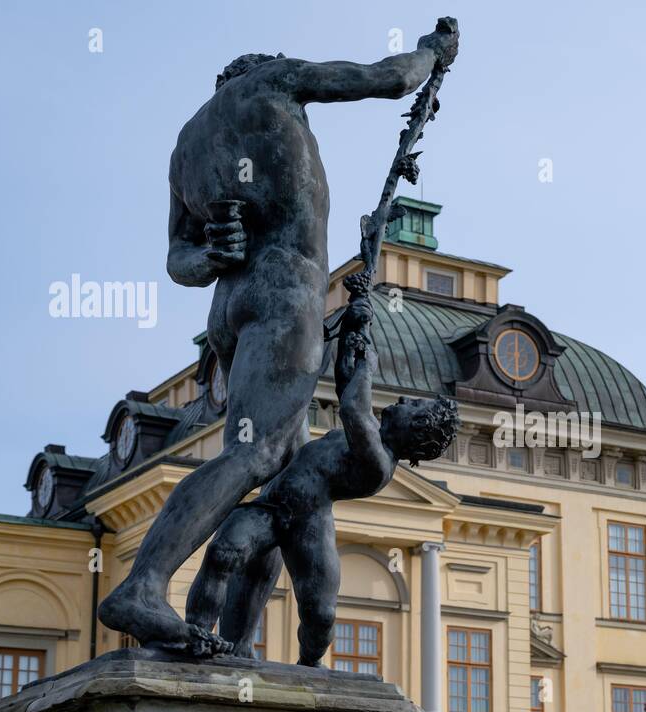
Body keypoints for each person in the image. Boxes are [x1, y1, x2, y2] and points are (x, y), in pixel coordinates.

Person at [98, 24, 459, 653]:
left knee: (279, 477)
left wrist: (213, 254)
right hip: (286, 295)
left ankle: (236, 647)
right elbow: (390, 78)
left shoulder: (187, 147)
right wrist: (435, 52)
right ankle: (143, 586)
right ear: (259, 71)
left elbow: (179, 260)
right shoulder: (275, 81)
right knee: (255, 456)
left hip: (230, 309)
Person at [185, 335, 459, 664]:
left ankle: (309, 664)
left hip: (310, 525)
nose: (403, 398)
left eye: (414, 406)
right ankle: (197, 633)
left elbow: (353, 408)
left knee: (321, 613)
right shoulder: (371, 429)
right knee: (223, 552)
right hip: (271, 509)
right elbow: (348, 387)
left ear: (417, 430)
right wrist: (354, 343)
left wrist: (368, 368)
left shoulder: (379, 462)